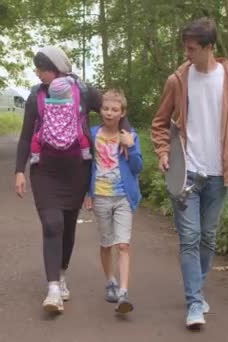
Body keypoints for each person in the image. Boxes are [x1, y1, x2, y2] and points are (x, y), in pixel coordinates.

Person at [151, 18, 228, 328]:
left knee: (208, 239)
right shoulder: (177, 80)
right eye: (185, 48)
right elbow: (160, 123)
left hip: (219, 174)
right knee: (189, 238)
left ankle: (197, 288)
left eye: (191, 49)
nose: (186, 54)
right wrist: (162, 152)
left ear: (209, 48)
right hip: (186, 171)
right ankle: (194, 303)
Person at [15, 45, 131, 314]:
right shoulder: (36, 95)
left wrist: (127, 134)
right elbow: (24, 136)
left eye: (42, 68)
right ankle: (53, 288)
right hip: (44, 170)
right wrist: (19, 170)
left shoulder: (84, 91)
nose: (38, 73)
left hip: (78, 170)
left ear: (57, 69)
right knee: (52, 223)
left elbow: (113, 109)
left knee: (67, 226)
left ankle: (62, 273)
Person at [84, 89, 142, 314]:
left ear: (122, 112)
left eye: (114, 110)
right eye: (106, 108)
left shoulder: (130, 135)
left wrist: (131, 146)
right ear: (101, 110)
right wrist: (87, 193)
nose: (109, 113)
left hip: (123, 197)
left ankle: (124, 293)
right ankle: (110, 281)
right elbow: (86, 166)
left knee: (123, 244)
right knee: (107, 243)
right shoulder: (92, 134)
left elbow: (138, 168)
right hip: (100, 195)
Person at [29, 76, 91, 164]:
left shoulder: (46, 106)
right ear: (68, 94)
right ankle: (86, 154)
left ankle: (36, 156)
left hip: (50, 139)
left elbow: (42, 114)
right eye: (70, 92)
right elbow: (79, 110)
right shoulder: (73, 106)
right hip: (70, 138)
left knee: (35, 139)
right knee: (82, 137)